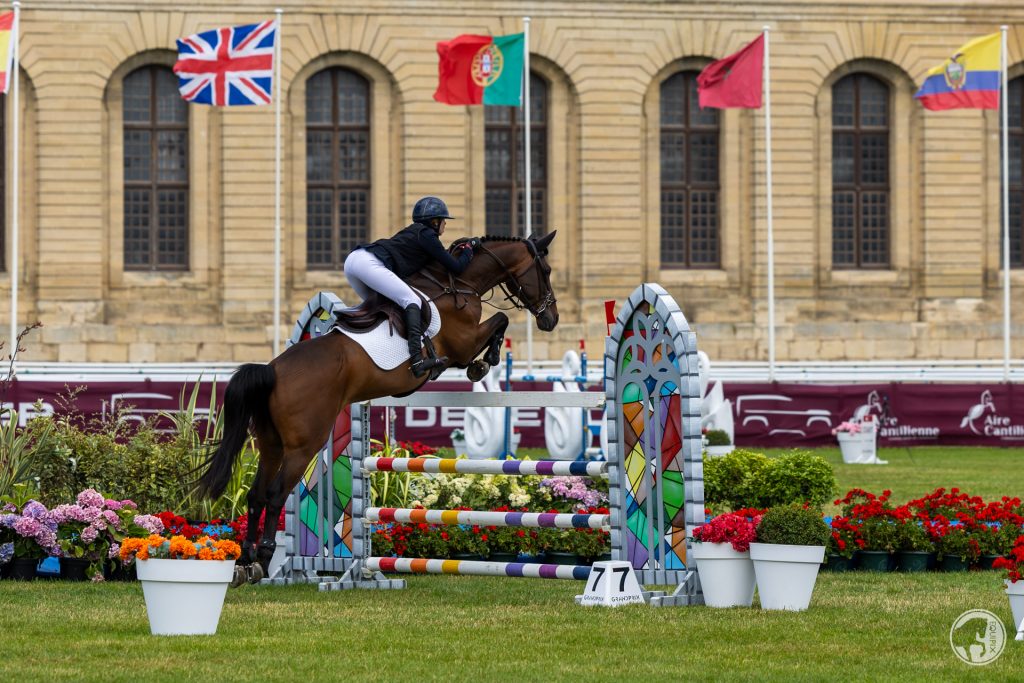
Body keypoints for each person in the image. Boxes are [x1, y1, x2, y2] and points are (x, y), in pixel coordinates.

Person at [344, 196, 479, 378]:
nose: (445, 226)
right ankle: (417, 360)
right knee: (411, 300)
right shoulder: (427, 236)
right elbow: (457, 267)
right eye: (443, 221)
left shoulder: (415, 233)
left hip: (354, 261)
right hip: (368, 263)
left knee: (381, 307)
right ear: (434, 221)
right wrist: (470, 248)